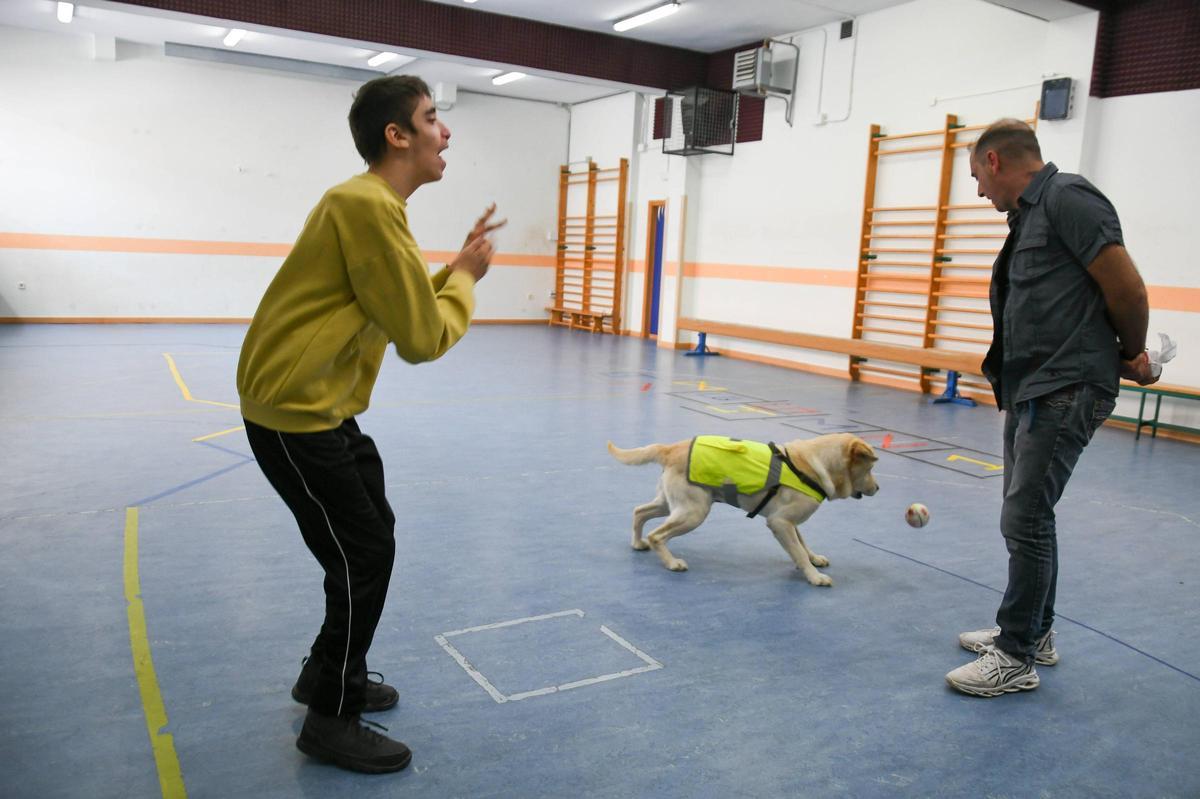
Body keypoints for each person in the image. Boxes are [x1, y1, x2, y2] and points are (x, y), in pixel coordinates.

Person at [236, 74, 504, 770]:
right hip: (297, 415)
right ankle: (329, 715)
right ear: (398, 136)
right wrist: (469, 277)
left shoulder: (370, 207)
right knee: (362, 555)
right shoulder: (367, 206)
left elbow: (404, 305)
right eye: (432, 118)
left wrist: (455, 272)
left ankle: (326, 671)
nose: (446, 132)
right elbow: (422, 338)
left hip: (321, 409)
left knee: (369, 539)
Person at [944, 118, 1157, 697]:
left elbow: (1128, 289)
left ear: (994, 161)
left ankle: (1015, 655)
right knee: (1031, 515)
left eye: (976, 177)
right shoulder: (1029, 218)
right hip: (1035, 386)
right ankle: (1035, 633)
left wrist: (1133, 352)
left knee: (1025, 517)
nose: (979, 191)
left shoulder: (1069, 198)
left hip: (1065, 389)